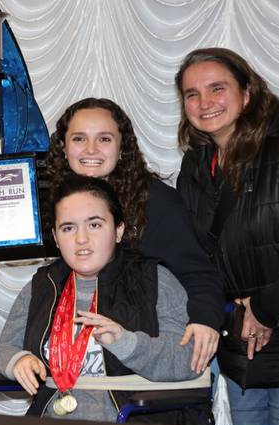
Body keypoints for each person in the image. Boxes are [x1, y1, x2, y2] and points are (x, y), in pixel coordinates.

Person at [0, 175, 209, 424]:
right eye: (68, 228)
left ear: (118, 230)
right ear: (56, 238)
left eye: (94, 225)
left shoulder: (154, 279)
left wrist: (127, 343)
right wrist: (17, 361)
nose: (81, 239)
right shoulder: (42, 286)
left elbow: (189, 359)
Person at [175, 47, 279, 425]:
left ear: (247, 94)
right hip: (239, 348)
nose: (205, 103)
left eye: (217, 88)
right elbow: (195, 255)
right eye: (191, 94)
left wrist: (266, 308)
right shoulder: (196, 166)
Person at [46, 98, 224, 373]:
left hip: (158, 350)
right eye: (79, 138)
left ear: (122, 149)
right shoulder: (55, 203)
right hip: (91, 353)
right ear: (64, 147)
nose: (91, 149)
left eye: (104, 139)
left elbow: (199, 273)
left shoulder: (157, 203)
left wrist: (205, 320)